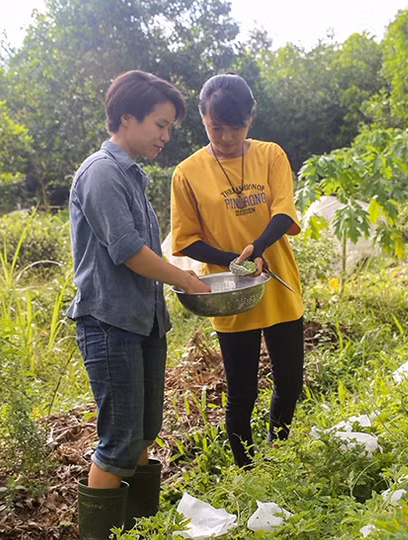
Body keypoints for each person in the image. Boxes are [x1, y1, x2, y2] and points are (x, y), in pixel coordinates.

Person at [67, 70, 210, 539]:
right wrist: (185, 280)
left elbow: (144, 251)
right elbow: (128, 250)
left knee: (145, 431)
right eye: (160, 125)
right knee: (120, 440)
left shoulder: (131, 174)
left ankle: (141, 529)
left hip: (143, 321)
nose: (166, 136)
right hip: (110, 323)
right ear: (127, 118)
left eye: (169, 128)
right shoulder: (101, 172)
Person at [169, 73, 304, 468]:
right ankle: (246, 469)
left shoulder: (270, 155)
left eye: (237, 126)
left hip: (276, 281)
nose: (226, 137)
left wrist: (258, 248)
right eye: (216, 127)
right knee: (242, 391)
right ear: (202, 118)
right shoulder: (187, 173)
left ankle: (277, 452)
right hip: (230, 291)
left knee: (290, 382)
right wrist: (236, 260)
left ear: (251, 118)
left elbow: (284, 211)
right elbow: (185, 239)